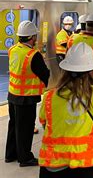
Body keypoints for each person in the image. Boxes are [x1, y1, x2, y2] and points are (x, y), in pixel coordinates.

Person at [38, 43, 93, 178]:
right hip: (88, 164)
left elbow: (44, 123)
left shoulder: (50, 97)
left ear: (65, 68)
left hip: (55, 162)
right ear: (91, 70)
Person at [6, 21, 49, 167]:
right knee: (25, 128)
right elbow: (45, 74)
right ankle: (25, 158)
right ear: (31, 37)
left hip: (12, 94)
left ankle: (10, 154)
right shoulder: (33, 55)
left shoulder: (12, 49)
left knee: (14, 125)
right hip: (26, 97)